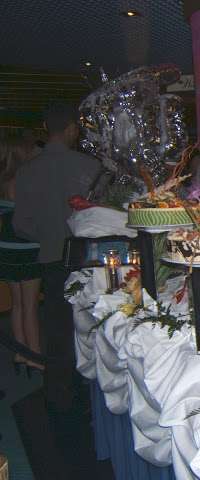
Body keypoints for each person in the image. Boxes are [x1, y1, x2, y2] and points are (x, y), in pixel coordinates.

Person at [13, 100, 101, 411]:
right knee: (95, 326)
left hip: (51, 258)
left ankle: (61, 397)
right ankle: (97, 394)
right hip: (88, 259)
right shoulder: (89, 167)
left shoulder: (26, 172)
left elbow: (21, 225)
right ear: (71, 129)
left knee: (58, 329)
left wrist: (48, 235)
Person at [0, 134, 43, 376]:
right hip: (27, 247)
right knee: (30, 305)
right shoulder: (23, 180)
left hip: (6, 247)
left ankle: (20, 354)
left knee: (17, 304)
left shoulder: (3, 181)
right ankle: (35, 357)